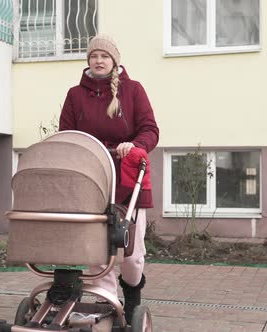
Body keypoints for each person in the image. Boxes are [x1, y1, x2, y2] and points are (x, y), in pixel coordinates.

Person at [58, 33, 159, 323]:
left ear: (114, 60)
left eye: (104, 56)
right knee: (96, 247)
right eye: (93, 56)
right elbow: (66, 135)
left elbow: (150, 129)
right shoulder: (75, 95)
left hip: (128, 177)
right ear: (88, 60)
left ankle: (133, 291)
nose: (98, 60)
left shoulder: (133, 90)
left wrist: (135, 146)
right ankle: (108, 300)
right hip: (92, 179)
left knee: (131, 253)